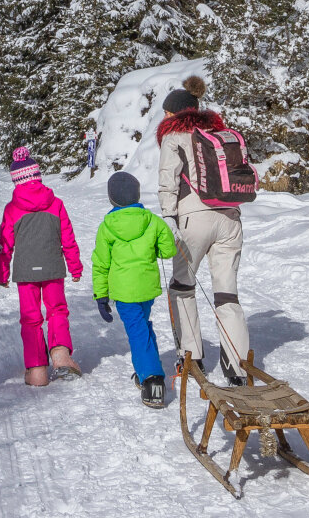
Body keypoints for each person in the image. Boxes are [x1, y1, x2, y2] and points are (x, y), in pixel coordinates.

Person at [158, 74, 254, 385]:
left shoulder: (174, 137)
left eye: (166, 112)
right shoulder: (219, 134)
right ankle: (238, 368)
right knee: (227, 294)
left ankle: (191, 358)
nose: (164, 118)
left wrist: (169, 217)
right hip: (230, 218)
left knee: (182, 287)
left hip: (193, 219)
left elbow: (168, 182)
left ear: (175, 113)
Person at [0, 145, 83, 386]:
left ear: (17, 181)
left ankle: (36, 371)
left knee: (30, 318)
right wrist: (75, 267)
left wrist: (2, 273)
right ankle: (61, 356)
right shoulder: (56, 204)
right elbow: (68, 238)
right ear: (38, 176)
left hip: (25, 273)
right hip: (53, 268)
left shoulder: (12, 209)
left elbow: (5, 245)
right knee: (57, 310)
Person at [91, 170, 177, 408]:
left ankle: (152, 379)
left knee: (138, 331)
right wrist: (153, 248)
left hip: (124, 293)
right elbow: (168, 250)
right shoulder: (152, 221)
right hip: (147, 289)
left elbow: (101, 264)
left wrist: (101, 295)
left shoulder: (107, 227)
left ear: (112, 198)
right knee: (143, 326)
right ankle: (145, 370)